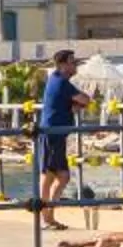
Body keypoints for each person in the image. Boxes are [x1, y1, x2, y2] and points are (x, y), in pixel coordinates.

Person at [33, 49, 88, 227]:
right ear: (62, 65)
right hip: (52, 134)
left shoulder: (57, 80)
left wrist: (73, 106)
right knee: (48, 176)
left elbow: (77, 103)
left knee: (62, 176)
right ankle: (44, 216)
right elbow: (85, 100)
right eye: (72, 62)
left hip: (57, 135)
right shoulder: (62, 83)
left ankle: (48, 213)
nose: (75, 64)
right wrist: (78, 104)